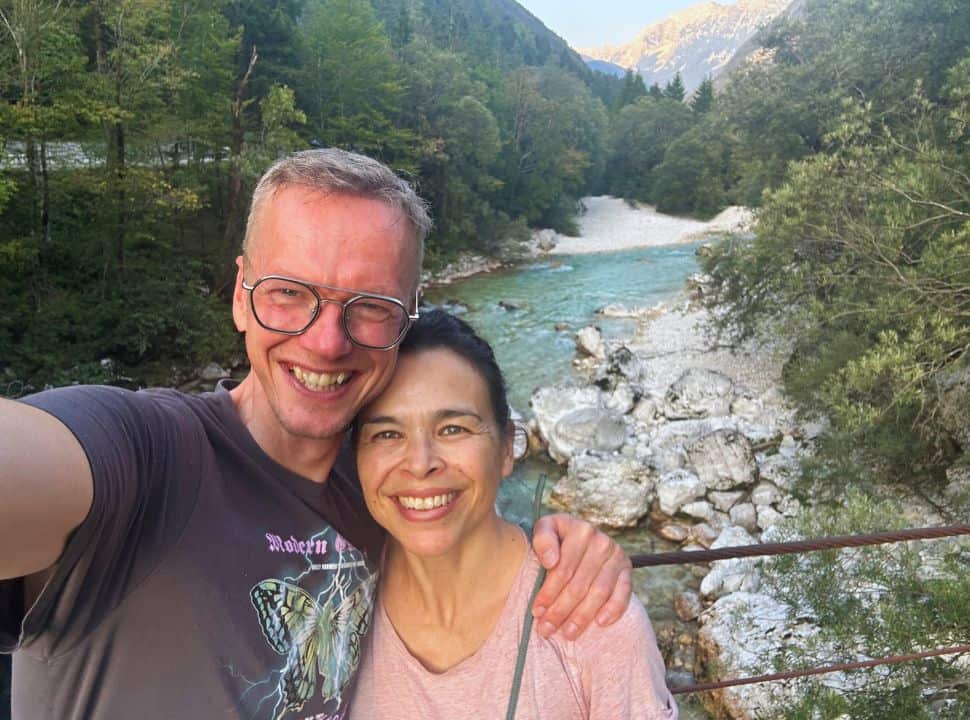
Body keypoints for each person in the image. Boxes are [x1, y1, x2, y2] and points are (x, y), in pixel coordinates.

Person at [0, 149, 633, 720]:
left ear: (407, 315)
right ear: (241, 294)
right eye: (287, 294)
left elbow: (479, 527)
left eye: (370, 307)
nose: (326, 341)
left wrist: (567, 544)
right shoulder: (148, 455)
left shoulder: (384, 491)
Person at [351, 310, 677, 719]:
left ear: (507, 447)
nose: (420, 464)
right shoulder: (339, 596)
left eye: (453, 428)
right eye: (386, 434)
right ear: (356, 458)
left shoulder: (594, 622)